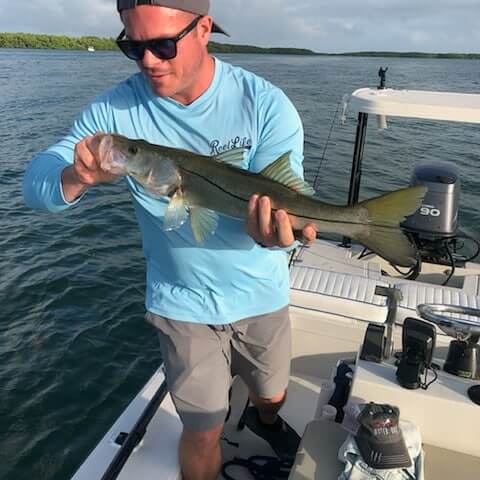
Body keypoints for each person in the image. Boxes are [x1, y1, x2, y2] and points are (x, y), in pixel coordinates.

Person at [23, 1, 316, 479]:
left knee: (272, 391)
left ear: (203, 29)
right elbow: (36, 182)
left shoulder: (264, 103)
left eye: (161, 45)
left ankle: (265, 417)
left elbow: (285, 205)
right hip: (181, 304)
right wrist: (74, 177)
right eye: (132, 47)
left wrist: (275, 238)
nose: (148, 62)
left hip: (262, 292)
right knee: (201, 428)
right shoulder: (114, 111)